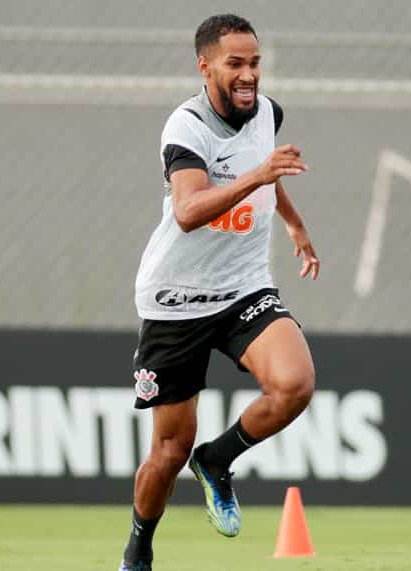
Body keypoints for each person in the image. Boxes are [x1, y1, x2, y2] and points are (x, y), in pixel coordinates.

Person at [119, 13, 319, 571]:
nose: (248, 74)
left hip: (242, 289)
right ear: (205, 67)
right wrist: (258, 176)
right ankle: (138, 551)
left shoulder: (267, 112)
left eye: (254, 62)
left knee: (295, 384)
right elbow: (187, 211)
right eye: (235, 64)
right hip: (176, 300)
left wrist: (294, 223)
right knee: (168, 450)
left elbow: (267, 171)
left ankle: (217, 460)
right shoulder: (186, 127)